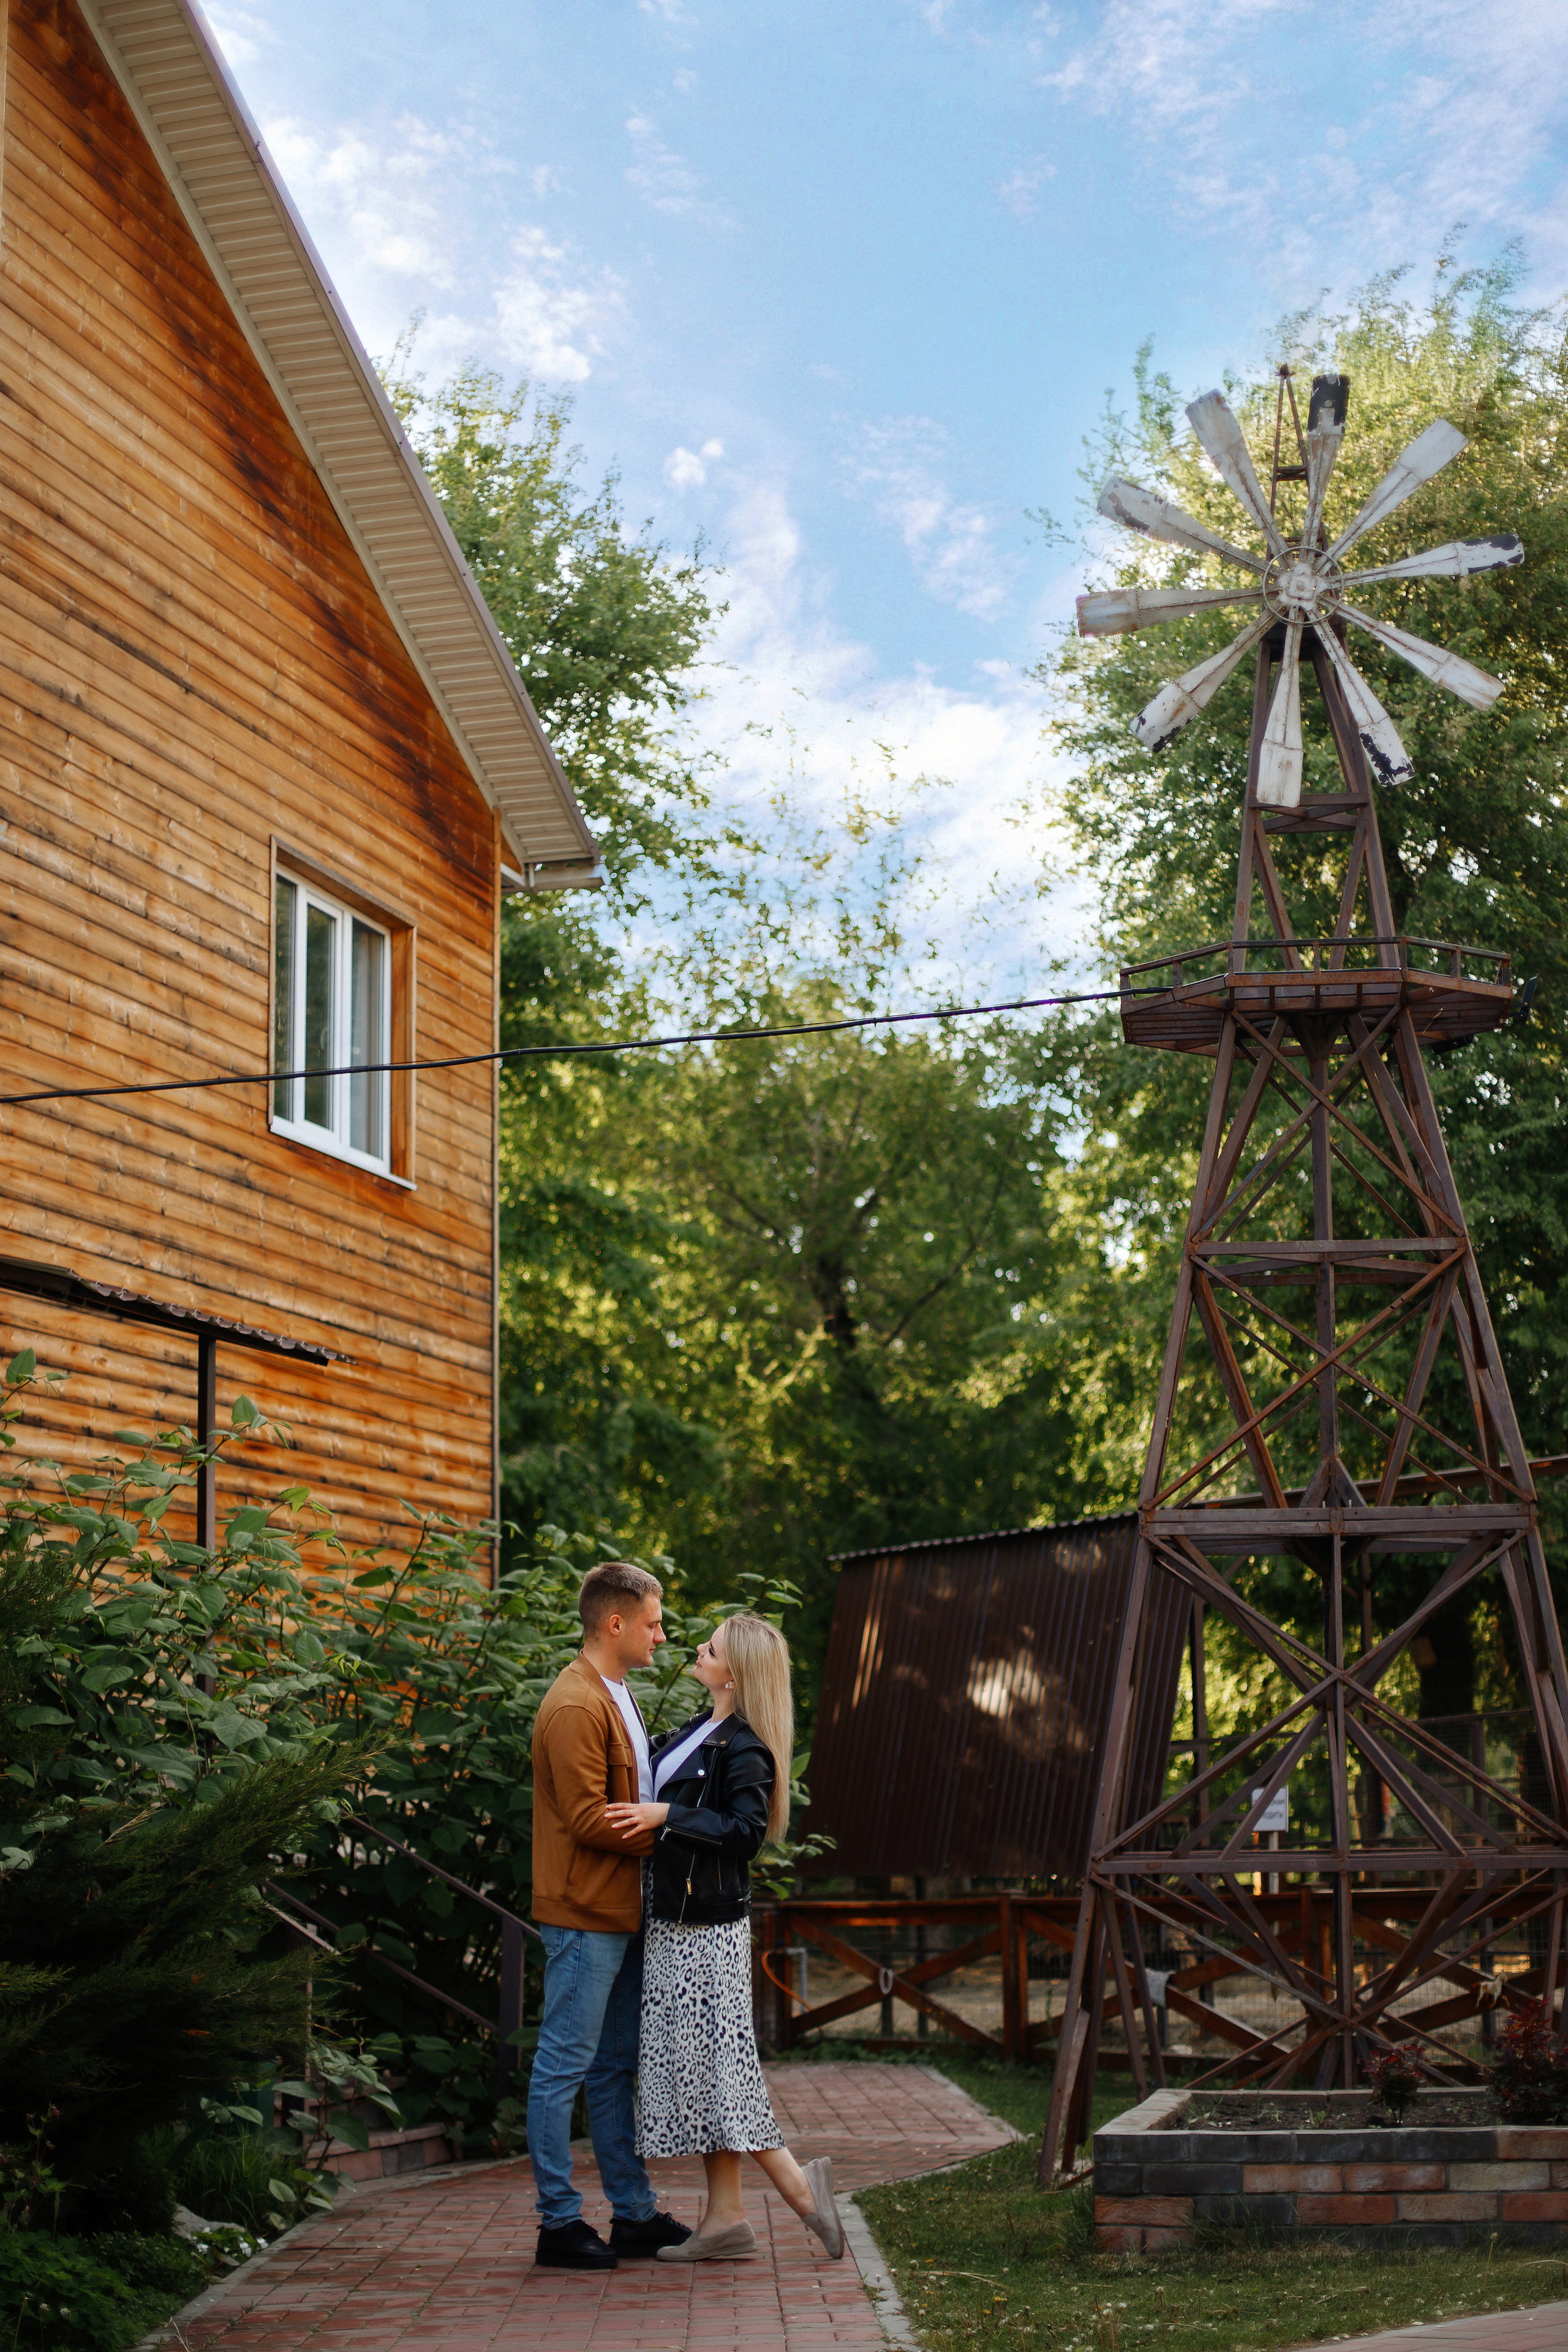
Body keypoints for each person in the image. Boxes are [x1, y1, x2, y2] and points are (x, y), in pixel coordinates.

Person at [605, 1612, 845, 2263]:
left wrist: (667, 1815)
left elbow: (744, 1834)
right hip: (673, 1923)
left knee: (722, 2074)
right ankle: (726, 2222)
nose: (697, 1650)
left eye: (709, 1647)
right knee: (708, 2075)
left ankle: (802, 2194)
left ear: (734, 1672)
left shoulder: (745, 1747)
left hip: (704, 1931)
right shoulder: (699, 1732)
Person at [527, 1561, 694, 2272]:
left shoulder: (616, 1693)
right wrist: (681, 1831)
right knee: (563, 2066)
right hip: (584, 1912)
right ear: (615, 1623)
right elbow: (589, 1818)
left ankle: (632, 2215)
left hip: (621, 1911)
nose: (662, 1634)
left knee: (612, 2066)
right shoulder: (573, 1705)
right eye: (653, 1622)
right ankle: (558, 2224)